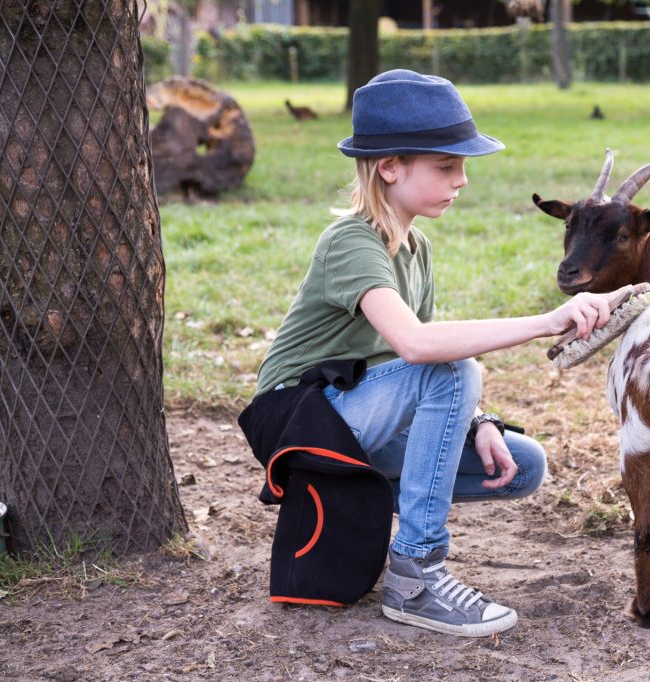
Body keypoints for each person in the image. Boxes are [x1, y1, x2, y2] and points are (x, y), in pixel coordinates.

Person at [254, 70, 619, 638]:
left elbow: (409, 365)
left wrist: (477, 424)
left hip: (357, 409)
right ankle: (416, 574)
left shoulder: (416, 247)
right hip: (299, 419)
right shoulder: (350, 240)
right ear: (390, 167)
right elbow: (418, 348)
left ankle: (362, 511)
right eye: (447, 166)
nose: (463, 180)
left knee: (522, 466)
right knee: (453, 368)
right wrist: (548, 321)